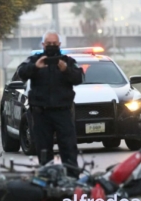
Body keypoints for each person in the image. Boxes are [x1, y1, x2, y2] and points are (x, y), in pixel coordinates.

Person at [17, 30, 84, 178]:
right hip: (41, 114)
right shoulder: (35, 60)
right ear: (43, 44)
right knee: (43, 150)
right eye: (49, 44)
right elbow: (21, 73)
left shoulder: (68, 61)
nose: (52, 46)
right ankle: (47, 181)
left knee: (68, 148)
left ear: (59, 44)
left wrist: (65, 69)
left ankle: (73, 181)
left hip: (63, 112)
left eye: (54, 44)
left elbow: (79, 77)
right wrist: (35, 67)